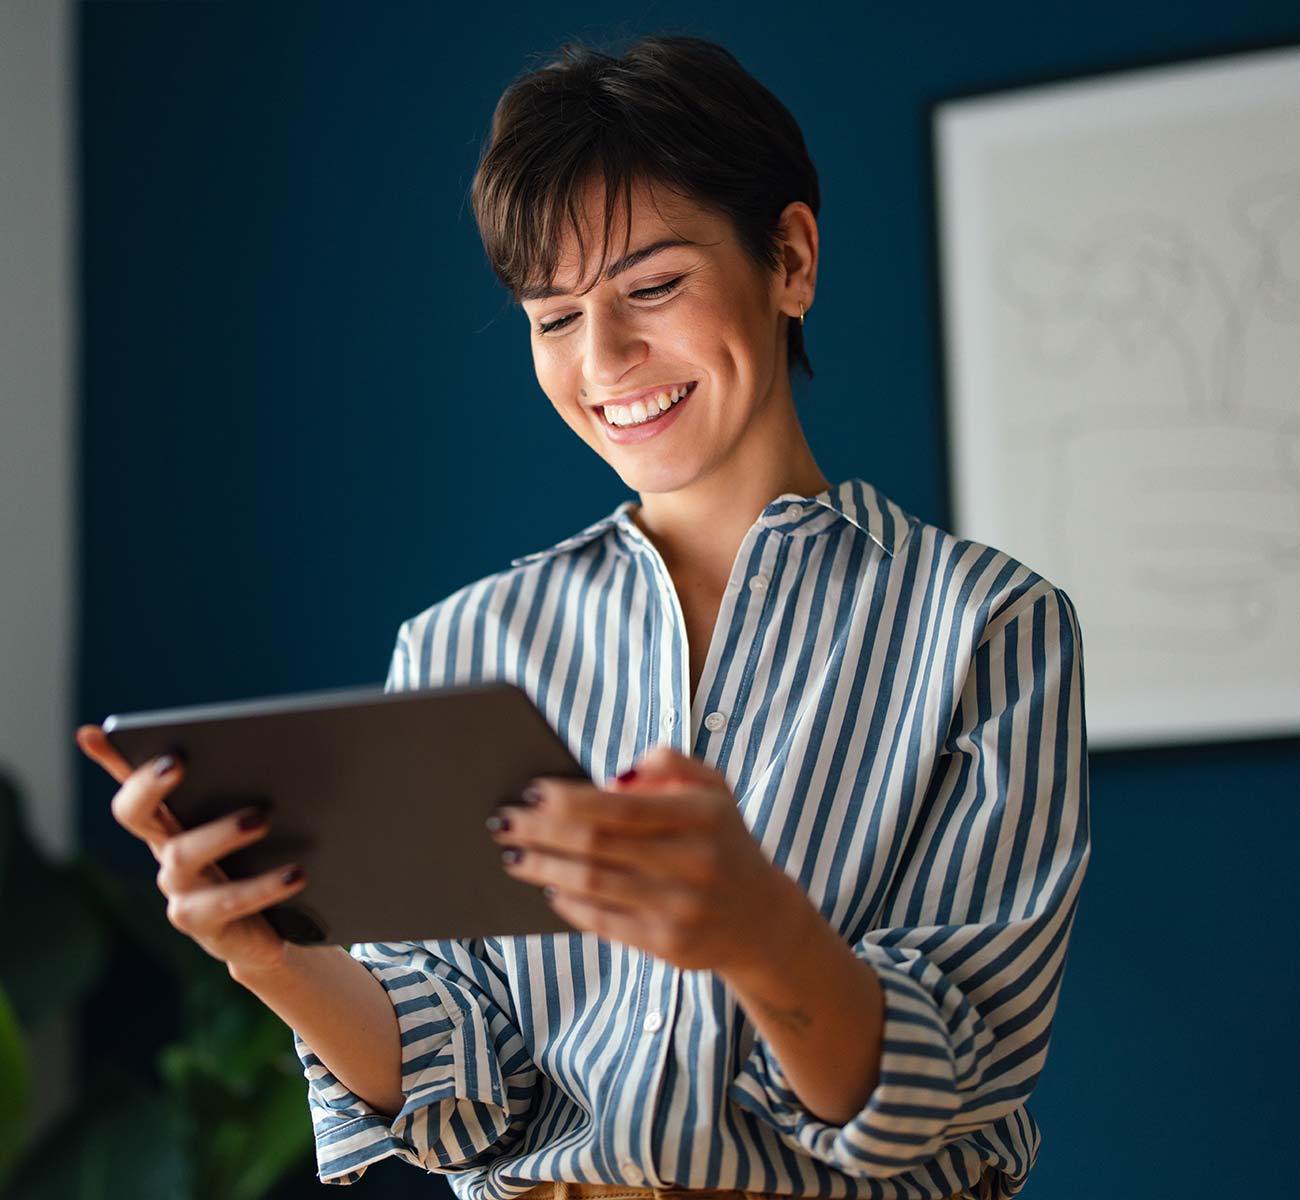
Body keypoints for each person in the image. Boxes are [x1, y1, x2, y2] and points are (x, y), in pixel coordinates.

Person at [76, 33, 1090, 1200]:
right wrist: (272, 958)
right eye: (552, 318)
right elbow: (465, 1079)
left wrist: (763, 934)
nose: (602, 358)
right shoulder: (461, 646)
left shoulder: (988, 628)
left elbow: (951, 1075)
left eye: (651, 287)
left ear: (791, 258)